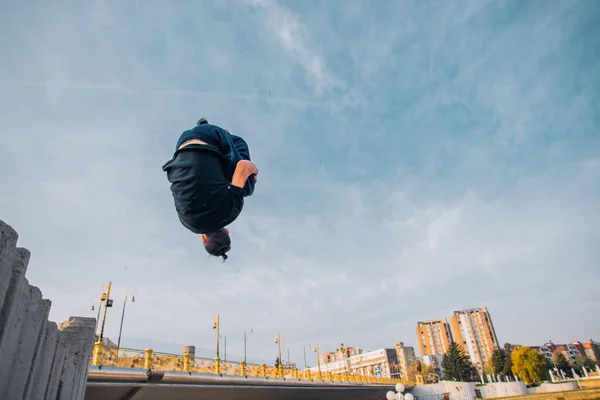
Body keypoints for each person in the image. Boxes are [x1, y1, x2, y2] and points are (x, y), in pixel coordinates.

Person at [162, 118, 258, 260]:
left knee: (247, 186)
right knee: (224, 180)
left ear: (227, 230)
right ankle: (208, 132)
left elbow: (244, 166)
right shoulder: (186, 222)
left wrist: (254, 172)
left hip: (211, 137)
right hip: (180, 146)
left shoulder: (231, 211)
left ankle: (223, 134)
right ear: (204, 238)